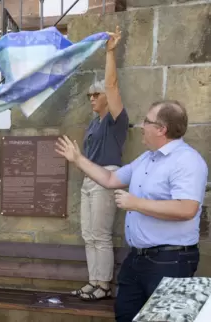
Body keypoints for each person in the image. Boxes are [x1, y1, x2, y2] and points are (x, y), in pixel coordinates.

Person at [56, 100, 207, 321]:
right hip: (137, 260)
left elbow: (187, 208)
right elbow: (110, 178)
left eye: (147, 121)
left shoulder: (187, 161)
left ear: (161, 129)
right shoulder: (147, 158)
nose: (141, 125)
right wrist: (78, 159)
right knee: (125, 315)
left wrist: (135, 203)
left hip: (172, 261)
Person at [70, 26, 129, 301]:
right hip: (88, 179)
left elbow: (112, 85)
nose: (92, 98)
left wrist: (109, 53)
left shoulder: (115, 120)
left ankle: (104, 284)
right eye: (89, 96)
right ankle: (93, 280)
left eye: (96, 94)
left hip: (106, 175)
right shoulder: (94, 122)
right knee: (89, 235)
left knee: (101, 235)